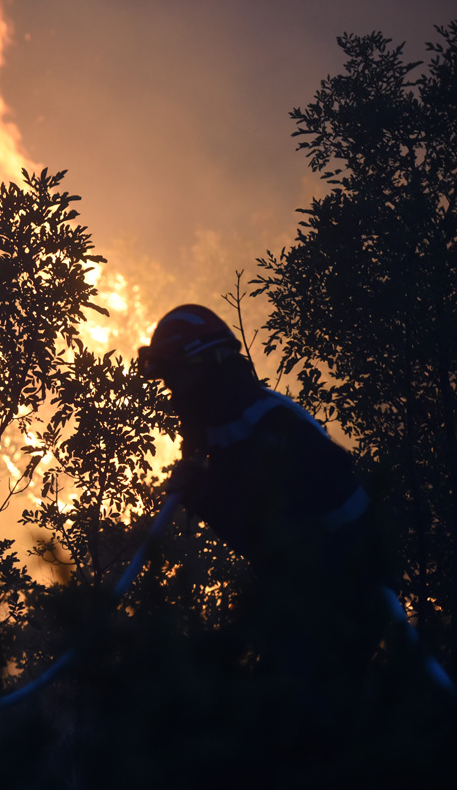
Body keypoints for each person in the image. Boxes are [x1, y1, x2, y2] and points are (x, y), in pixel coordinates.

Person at [137, 304, 390, 712]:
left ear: (205, 368)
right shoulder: (224, 423)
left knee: (293, 735)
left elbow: (269, 533)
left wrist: (202, 494)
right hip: (309, 590)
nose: (173, 391)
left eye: (175, 377)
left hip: (343, 589)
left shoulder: (263, 426)